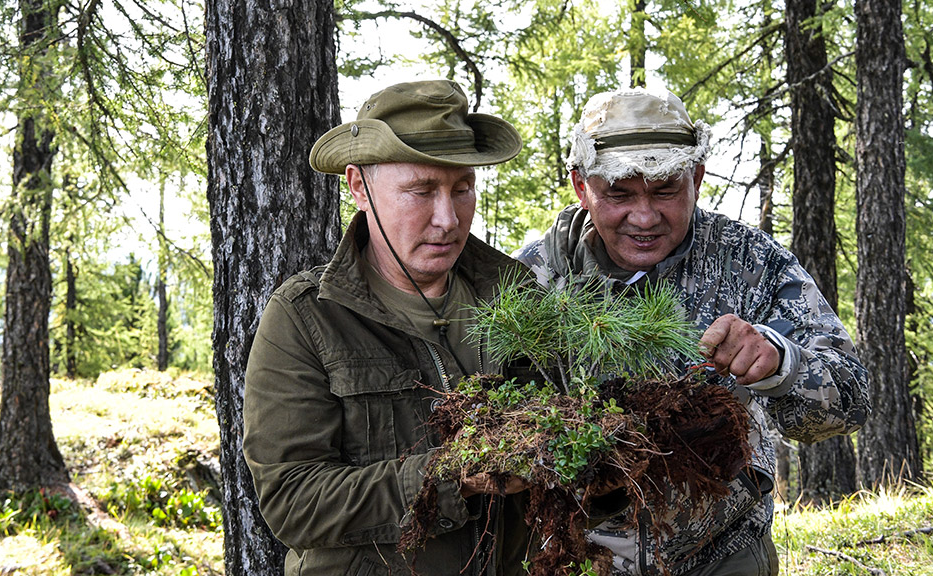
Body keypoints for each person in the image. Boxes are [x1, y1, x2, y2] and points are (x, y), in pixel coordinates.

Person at [516, 88, 871, 576]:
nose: (644, 217)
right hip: (577, 557)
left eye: (665, 190)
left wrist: (781, 365)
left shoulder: (749, 262)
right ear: (581, 187)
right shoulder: (532, 280)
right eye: (619, 193)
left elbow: (851, 401)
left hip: (722, 553)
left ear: (697, 179)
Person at [243, 80, 538, 575]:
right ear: (360, 187)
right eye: (421, 191)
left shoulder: (513, 291)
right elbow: (292, 501)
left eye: (462, 188)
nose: (447, 218)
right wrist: (448, 477)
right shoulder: (307, 317)